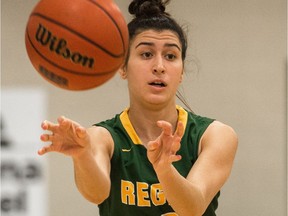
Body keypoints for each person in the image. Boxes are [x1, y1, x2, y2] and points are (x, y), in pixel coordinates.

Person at [38, 0, 238, 215]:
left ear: (181, 73)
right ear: (122, 67)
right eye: (146, 54)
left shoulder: (214, 135)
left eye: (170, 56)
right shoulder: (102, 137)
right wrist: (82, 156)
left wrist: (164, 169)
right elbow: (96, 193)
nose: (159, 67)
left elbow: (194, 207)